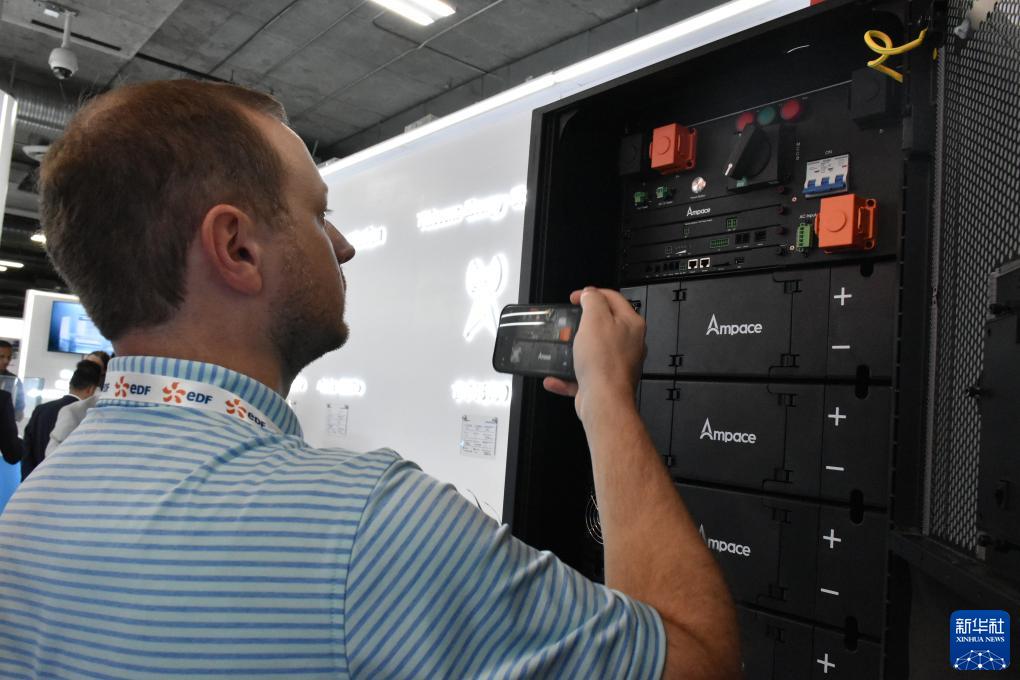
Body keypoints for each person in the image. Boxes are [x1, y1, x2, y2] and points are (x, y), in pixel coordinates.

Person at [0, 80, 738, 679]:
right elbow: (698, 661)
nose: (344, 245)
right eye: (318, 214)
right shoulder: (371, 526)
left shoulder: (34, 509)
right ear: (237, 248)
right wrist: (608, 401)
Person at [21, 359, 102, 480]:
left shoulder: (40, 409)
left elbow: (27, 451)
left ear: (70, 385)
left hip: (33, 480)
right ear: (91, 390)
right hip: (63, 482)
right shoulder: (86, 416)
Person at [45, 350, 110, 455]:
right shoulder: (69, 410)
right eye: (86, 364)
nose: (87, 370)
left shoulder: (99, 410)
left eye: (94, 367)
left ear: (104, 373)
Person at [0, 339, 25, 421]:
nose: (6, 361)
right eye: (1, 357)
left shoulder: (15, 381)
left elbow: (19, 412)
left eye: (9, 357)